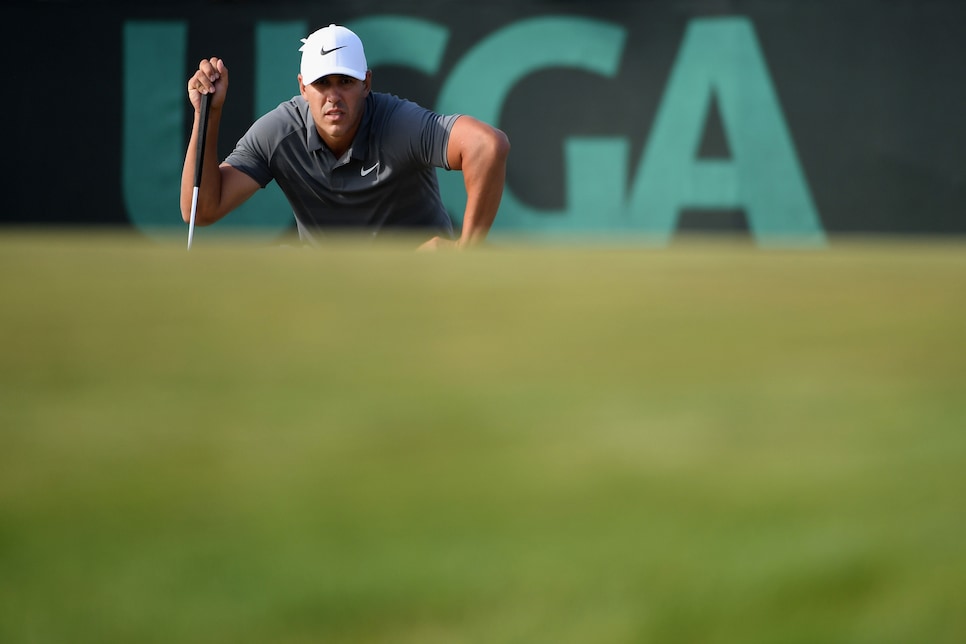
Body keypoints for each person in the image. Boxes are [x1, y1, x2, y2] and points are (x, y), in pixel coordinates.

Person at [180, 24, 509, 249]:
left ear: (366, 83)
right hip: (329, 291)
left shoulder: (399, 123)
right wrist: (208, 114)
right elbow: (201, 210)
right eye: (322, 83)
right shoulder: (280, 131)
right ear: (302, 87)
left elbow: (487, 145)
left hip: (417, 279)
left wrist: (466, 254)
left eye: (345, 82)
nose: (333, 96)